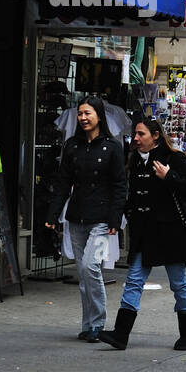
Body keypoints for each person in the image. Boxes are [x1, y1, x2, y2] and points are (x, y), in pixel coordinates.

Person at [99, 118, 186, 351]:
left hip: (171, 232)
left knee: (179, 283)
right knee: (134, 281)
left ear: (155, 135)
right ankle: (120, 334)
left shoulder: (175, 158)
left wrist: (169, 177)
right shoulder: (136, 160)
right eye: (135, 134)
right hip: (144, 232)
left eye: (141, 134)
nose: (135, 138)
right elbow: (134, 196)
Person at [46, 97, 127, 342]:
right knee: (83, 271)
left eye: (87, 113)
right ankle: (88, 324)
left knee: (92, 267)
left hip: (102, 220)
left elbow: (119, 186)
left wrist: (115, 219)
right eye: (80, 113)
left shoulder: (113, 147)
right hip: (77, 217)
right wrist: (52, 215)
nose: (82, 118)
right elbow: (63, 183)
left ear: (99, 116)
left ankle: (99, 322)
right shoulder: (72, 146)